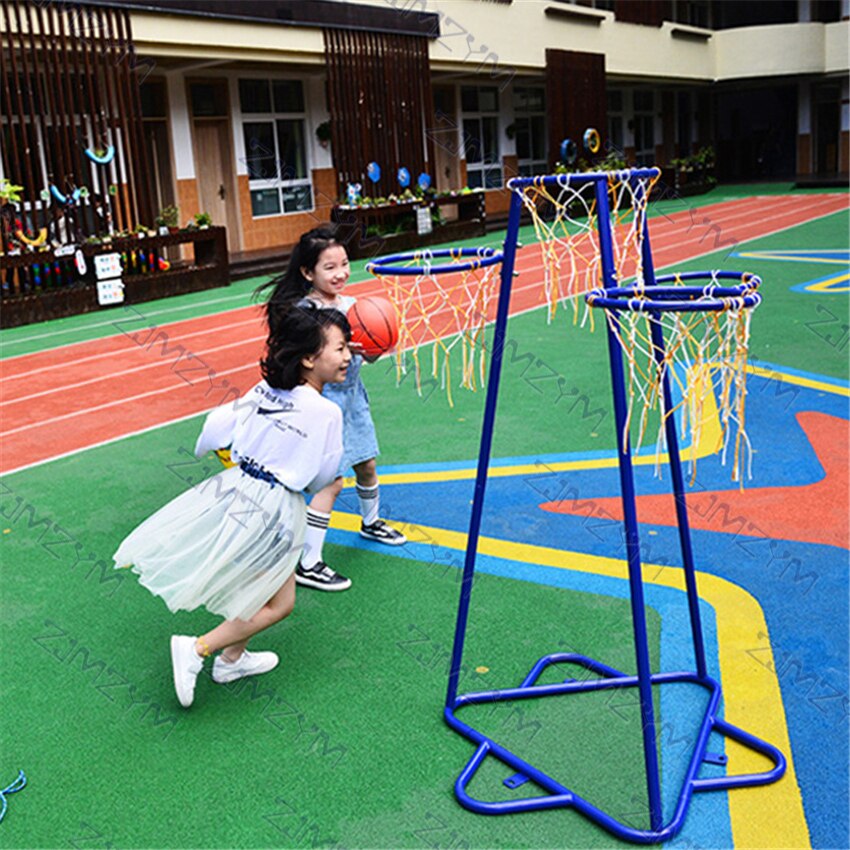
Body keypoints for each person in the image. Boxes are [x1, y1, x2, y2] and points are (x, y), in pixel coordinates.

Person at [113, 303, 351, 708]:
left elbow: (216, 426)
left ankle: (232, 659)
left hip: (237, 489)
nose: (348, 356)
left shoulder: (266, 389)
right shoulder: (327, 412)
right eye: (340, 348)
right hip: (276, 507)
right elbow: (321, 478)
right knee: (281, 603)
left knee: (256, 587)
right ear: (310, 358)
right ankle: (198, 648)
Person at [262, 225, 407, 593]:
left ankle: (371, 522)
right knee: (330, 481)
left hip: (353, 400)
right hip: (320, 405)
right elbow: (294, 360)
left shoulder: (354, 308)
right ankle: (308, 562)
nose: (341, 272)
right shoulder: (302, 312)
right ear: (308, 273)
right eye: (330, 267)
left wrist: (375, 346)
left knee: (367, 464)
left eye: (344, 263)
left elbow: (369, 356)